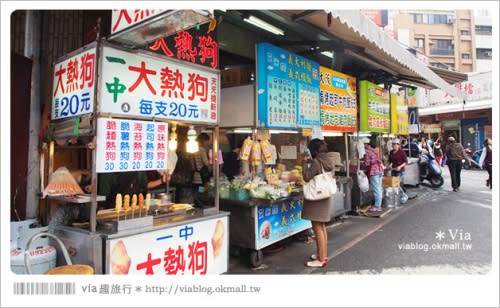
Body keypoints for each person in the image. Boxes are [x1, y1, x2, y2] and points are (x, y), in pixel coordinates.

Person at [301, 139, 333, 268]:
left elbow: (306, 177)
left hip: (317, 198)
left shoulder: (316, 162)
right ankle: (322, 254)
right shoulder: (328, 160)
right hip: (325, 196)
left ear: (313, 150)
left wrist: (304, 163)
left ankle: (320, 260)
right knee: (322, 226)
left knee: (317, 227)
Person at [361, 137, 385, 212]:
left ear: (365, 144)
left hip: (374, 171)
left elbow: (367, 163)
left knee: (377, 189)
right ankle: (379, 204)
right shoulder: (373, 149)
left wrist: (362, 163)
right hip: (380, 170)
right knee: (379, 188)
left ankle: (377, 206)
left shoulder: (367, 151)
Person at [386, 138, 409, 203]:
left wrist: (400, 166)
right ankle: (399, 197)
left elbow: (405, 162)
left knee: (397, 185)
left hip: (400, 171)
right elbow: (389, 161)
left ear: (398, 145)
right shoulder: (391, 152)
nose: (394, 146)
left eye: (395, 144)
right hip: (393, 170)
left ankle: (404, 196)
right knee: (394, 184)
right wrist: (386, 166)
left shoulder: (402, 152)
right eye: (393, 144)